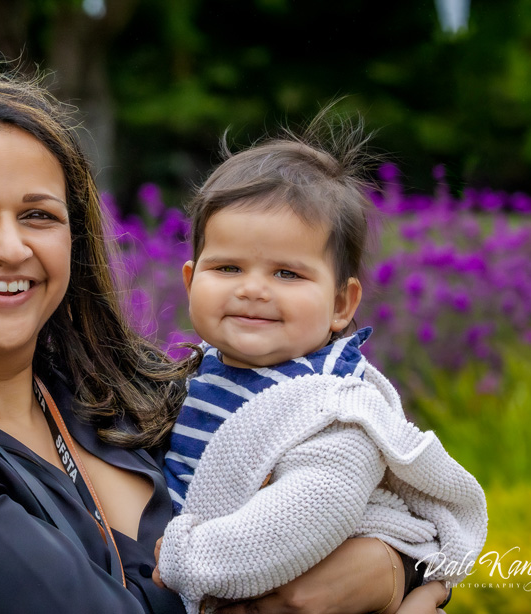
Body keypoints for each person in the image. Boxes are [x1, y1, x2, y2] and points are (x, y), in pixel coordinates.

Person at [0, 62, 448, 613]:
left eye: (39, 215)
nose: (11, 247)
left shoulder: (133, 393)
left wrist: (387, 572)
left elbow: (396, 512)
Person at [155, 115, 488, 614]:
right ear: (190, 282)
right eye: (227, 267)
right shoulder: (196, 373)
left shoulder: (333, 407)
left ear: (340, 305)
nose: (252, 288)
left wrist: (187, 558)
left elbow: (310, 511)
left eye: (287, 274)